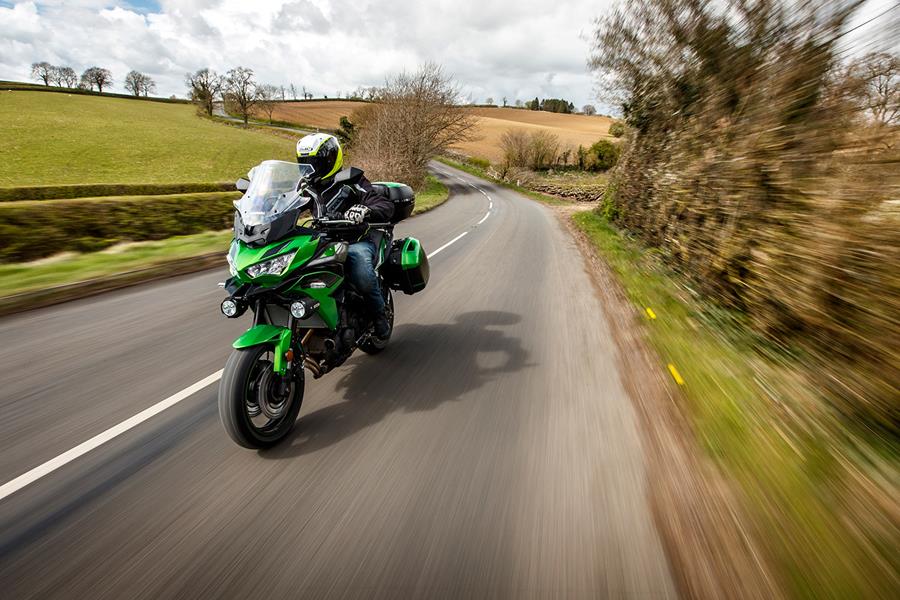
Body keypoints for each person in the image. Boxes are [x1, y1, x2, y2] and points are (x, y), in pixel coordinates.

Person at [295, 133, 394, 339]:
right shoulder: (305, 187)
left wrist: (365, 210)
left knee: (362, 272)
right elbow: (283, 205)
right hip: (320, 243)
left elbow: (384, 205)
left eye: (315, 162)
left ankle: (379, 316)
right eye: (304, 164)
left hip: (355, 241)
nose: (309, 169)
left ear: (331, 159)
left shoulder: (351, 180)